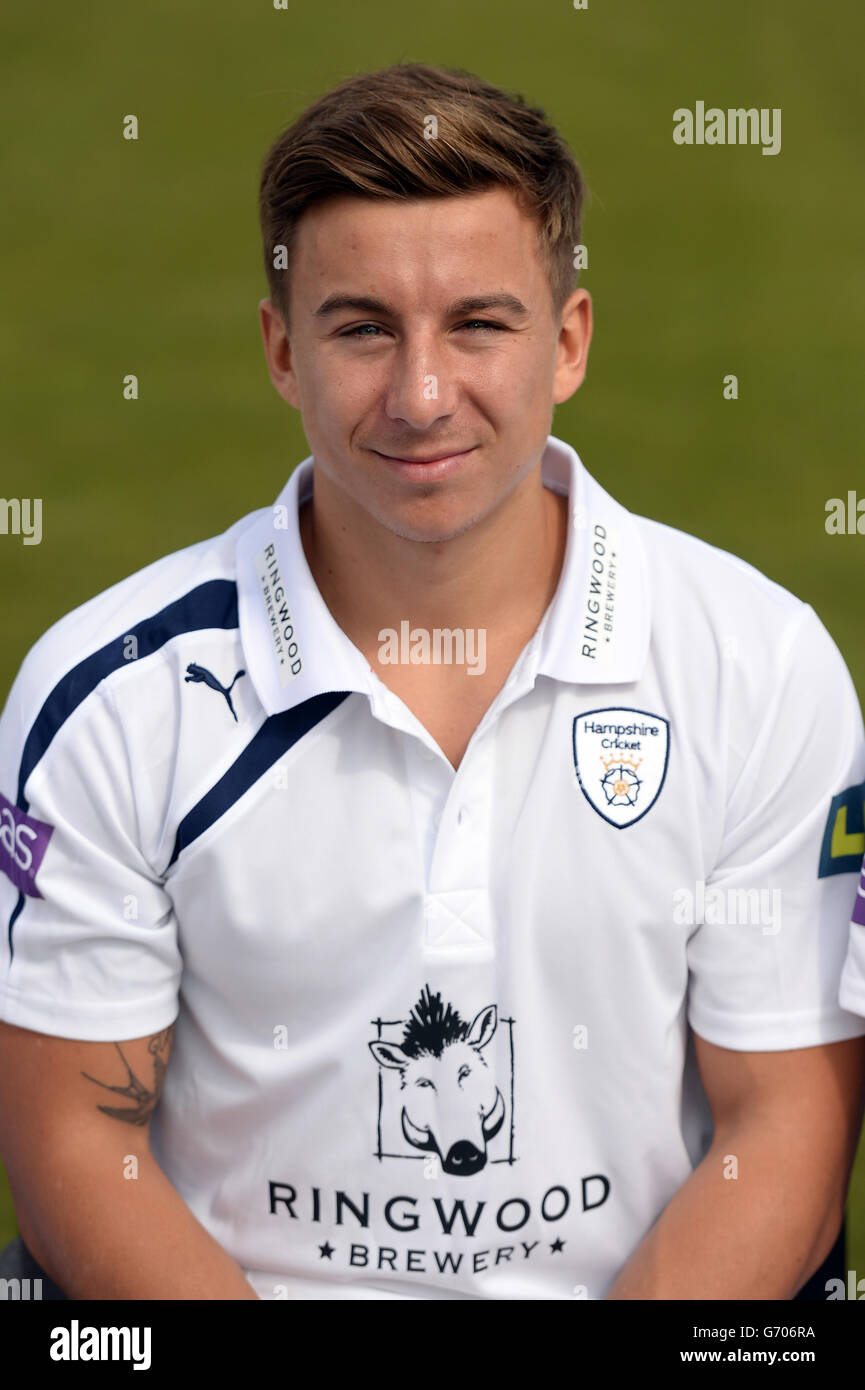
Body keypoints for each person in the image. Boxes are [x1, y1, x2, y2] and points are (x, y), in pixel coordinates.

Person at [1, 60, 864, 1302]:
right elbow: (75, 1140)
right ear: (280, 351)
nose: (419, 396)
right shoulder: (113, 691)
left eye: (478, 324)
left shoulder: (758, 664)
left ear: (566, 342)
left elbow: (781, 1123)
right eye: (360, 328)